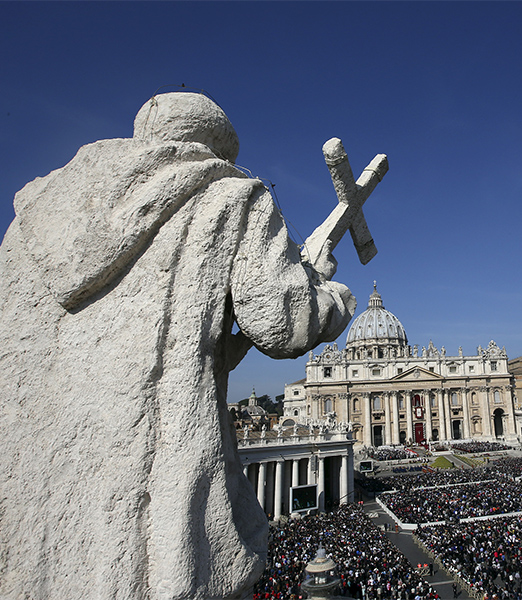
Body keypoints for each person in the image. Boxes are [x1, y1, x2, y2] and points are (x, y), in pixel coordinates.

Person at [0, 92, 357, 600]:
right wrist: (328, 292)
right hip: (147, 455)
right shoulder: (230, 194)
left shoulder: (30, 220)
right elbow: (285, 324)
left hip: (32, 473)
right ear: (217, 149)